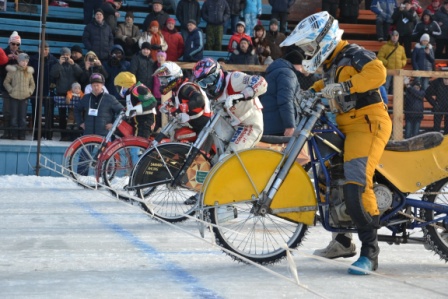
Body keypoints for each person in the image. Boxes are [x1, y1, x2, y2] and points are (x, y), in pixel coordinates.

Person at [281, 11, 392, 274]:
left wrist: (346, 87)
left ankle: (370, 252)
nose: (308, 52)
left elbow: (378, 72)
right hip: (345, 125)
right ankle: (342, 241)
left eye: (310, 46)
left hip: (367, 123)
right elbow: (326, 83)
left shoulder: (354, 53)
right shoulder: (332, 63)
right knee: (328, 179)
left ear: (324, 40)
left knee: (356, 183)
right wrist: (310, 92)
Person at [192, 57, 267, 155]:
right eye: (203, 83)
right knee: (215, 158)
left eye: (209, 79)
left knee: (227, 158)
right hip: (231, 126)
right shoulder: (212, 95)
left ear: (217, 73)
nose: (208, 85)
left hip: (249, 125)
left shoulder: (234, 79)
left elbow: (261, 82)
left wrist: (242, 95)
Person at [154, 61, 212, 136]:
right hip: (194, 125)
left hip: (205, 126)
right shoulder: (178, 89)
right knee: (178, 135)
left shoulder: (186, 87)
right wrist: (167, 104)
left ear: (174, 78)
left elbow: (199, 99)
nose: (163, 84)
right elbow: (178, 99)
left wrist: (185, 107)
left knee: (182, 137)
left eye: (164, 80)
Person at [259, 49, 303, 136]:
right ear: (297, 63)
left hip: (268, 124)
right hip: (279, 126)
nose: (301, 69)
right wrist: (290, 125)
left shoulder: (274, 71)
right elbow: (286, 101)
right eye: (301, 66)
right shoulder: (288, 74)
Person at [74, 73, 124, 137]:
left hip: (104, 133)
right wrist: (80, 122)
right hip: (88, 132)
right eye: (94, 85)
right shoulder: (86, 98)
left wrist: (114, 124)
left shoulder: (110, 98)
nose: (96, 87)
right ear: (91, 86)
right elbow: (76, 108)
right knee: (87, 147)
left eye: (98, 85)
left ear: (102, 85)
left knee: (105, 147)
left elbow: (122, 111)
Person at [50, 47, 83, 141]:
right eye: (64, 55)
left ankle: (73, 135)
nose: (66, 57)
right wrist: (59, 64)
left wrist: (74, 65)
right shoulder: (57, 64)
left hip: (73, 93)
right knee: (62, 115)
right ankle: (63, 135)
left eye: (68, 55)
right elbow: (53, 75)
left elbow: (80, 74)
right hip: (61, 92)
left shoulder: (73, 64)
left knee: (73, 114)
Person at [29, 43, 58, 140]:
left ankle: (48, 134)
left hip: (49, 88)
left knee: (49, 113)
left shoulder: (54, 60)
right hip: (36, 88)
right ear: (38, 50)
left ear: (48, 50)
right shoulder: (33, 59)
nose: (44, 51)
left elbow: (56, 75)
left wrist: (53, 85)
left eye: (46, 49)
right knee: (36, 112)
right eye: (42, 49)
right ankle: (36, 134)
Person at [114, 72, 157, 138]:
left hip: (145, 122)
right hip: (137, 122)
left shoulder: (139, 89)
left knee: (139, 144)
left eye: (119, 87)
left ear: (125, 85)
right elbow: (132, 106)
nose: (118, 90)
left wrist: (134, 110)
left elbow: (152, 101)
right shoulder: (129, 93)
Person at [3, 53, 35, 140]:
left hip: (24, 97)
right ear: (18, 61)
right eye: (23, 61)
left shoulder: (28, 72)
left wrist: (29, 91)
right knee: (14, 117)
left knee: (22, 117)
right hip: (14, 97)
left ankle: (22, 134)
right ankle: (14, 134)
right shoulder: (12, 71)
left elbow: (32, 84)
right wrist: (10, 90)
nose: (25, 63)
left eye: (26, 61)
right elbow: (6, 82)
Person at [1, 31, 23, 139]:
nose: (15, 46)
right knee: (7, 110)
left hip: (18, 87)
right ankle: (6, 132)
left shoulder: (22, 54)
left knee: (16, 111)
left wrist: (20, 61)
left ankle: (15, 133)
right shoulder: (3, 53)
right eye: (13, 44)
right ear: (9, 43)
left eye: (17, 44)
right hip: (6, 86)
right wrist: (6, 59)